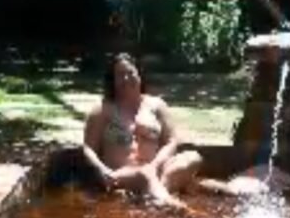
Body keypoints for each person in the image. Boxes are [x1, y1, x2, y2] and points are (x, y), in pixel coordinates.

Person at [82, 53, 203, 209]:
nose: (126, 78)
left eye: (130, 73)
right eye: (120, 75)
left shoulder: (157, 105)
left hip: (156, 170)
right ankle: (181, 210)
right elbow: (88, 148)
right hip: (121, 175)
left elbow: (172, 141)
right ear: (113, 81)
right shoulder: (103, 110)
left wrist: (156, 165)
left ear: (139, 74)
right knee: (144, 174)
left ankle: (153, 193)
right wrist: (103, 170)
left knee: (193, 157)